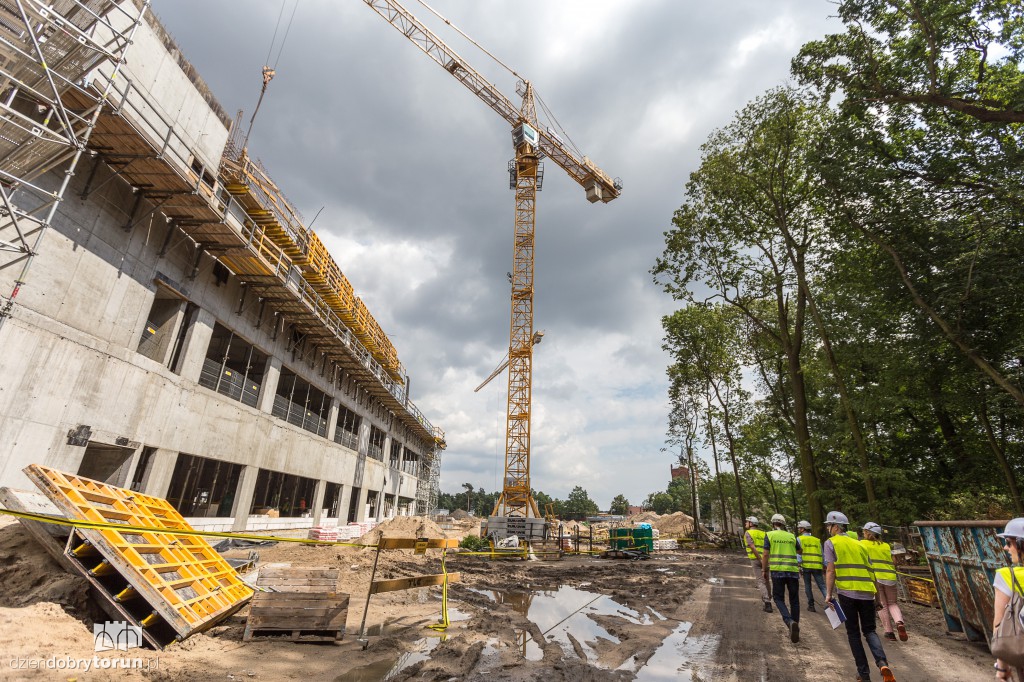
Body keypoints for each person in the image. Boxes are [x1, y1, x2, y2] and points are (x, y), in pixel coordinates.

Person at [824, 510, 897, 682]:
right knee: (870, 631)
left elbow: (830, 570)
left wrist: (828, 594)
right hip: (867, 594)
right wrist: (878, 599)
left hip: (847, 593)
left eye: (829, 525)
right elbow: (873, 574)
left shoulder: (830, 543)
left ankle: (863, 674)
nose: (828, 528)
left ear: (836, 527)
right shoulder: (861, 544)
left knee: (853, 634)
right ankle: (882, 663)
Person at [861, 522, 906, 642]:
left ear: (867, 532)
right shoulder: (886, 545)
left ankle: (889, 632)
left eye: (864, 531)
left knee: (882, 604)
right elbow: (894, 562)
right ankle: (899, 622)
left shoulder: (863, 544)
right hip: (890, 577)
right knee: (893, 603)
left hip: (876, 578)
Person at [993, 518, 1024, 680]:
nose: (1005, 547)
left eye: (1008, 542)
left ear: (1021, 544)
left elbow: (999, 625)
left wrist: (1002, 668)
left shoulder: (1007, 576)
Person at [762, 513, 801, 642]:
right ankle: (796, 626)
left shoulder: (769, 535)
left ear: (773, 524)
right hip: (793, 571)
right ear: (783, 524)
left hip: (777, 571)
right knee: (794, 599)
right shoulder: (792, 536)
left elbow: (766, 554)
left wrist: (764, 569)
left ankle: (789, 621)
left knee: (778, 598)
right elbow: (800, 551)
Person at [743, 516, 772, 612]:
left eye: (747, 522)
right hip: (766, 559)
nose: (745, 524)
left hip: (756, 560)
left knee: (760, 581)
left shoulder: (748, 533)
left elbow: (752, 547)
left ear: (751, 523)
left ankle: (767, 602)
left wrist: (760, 559)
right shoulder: (764, 533)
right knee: (766, 580)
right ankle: (769, 598)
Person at [797, 520, 826, 612]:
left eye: (800, 528)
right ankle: (833, 605)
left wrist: (799, 565)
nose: (799, 529)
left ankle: (811, 605)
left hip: (806, 566)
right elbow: (822, 554)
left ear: (803, 529)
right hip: (817, 566)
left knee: (808, 586)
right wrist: (824, 565)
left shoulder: (799, 539)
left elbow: (798, 554)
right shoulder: (817, 540)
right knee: (822, 586)